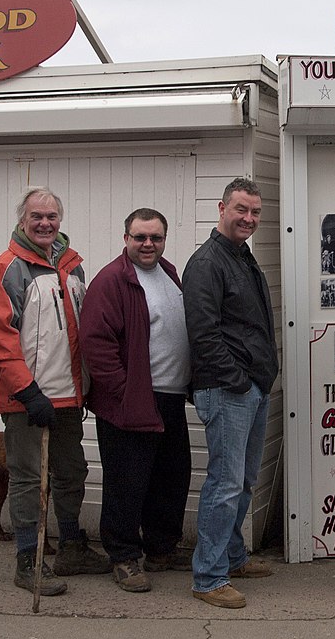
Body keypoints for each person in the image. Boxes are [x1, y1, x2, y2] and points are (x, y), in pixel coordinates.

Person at [0, 186, 109, 597]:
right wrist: (27, 390)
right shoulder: (7, 270)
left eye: (52, 217)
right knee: (27, 479)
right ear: (22, 220)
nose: (45, 223)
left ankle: (71, 546)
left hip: (70, 397)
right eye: (36, 216)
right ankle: (27, 560)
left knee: (71, 473)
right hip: (28, 400)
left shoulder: (73, 269)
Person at [79, 207, 193, 593]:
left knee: (170, 477)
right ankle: (124, 556)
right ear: (125, 238)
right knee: (127, 482)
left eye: (156, 238)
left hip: (170, 397)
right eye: (140, 237)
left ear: (164, 240)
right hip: (131, 401)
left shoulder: (169, 274)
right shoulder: (112, 281)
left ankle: (161, 548)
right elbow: (95, 343)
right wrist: (123, 391)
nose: (148, 244)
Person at [183, 177, 279, 609]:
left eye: (255, 212)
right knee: (224, 483)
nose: (248, 218)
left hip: (251, 387)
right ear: (222, 208)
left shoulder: (241, 256)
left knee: (242, 482)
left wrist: (258, 379)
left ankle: (233, 557)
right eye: (241, 209)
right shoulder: (207, 263)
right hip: (227, 389)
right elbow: (203, 335)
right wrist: (237, 380)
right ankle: (208, 577)